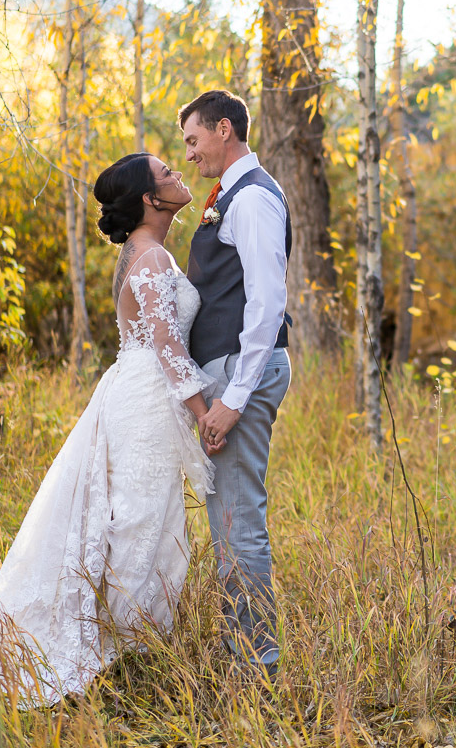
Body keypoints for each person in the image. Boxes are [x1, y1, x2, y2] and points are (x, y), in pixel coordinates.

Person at [0, 152, 213, 707]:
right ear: (150, 200)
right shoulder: (151, 258)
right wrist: (208, 415)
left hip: (135, 390)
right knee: (141, 523)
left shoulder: (143, 251)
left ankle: (122, 647)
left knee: (137, 519)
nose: (180, 175)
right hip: (147, 399)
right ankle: (116, 654)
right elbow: (168, 348)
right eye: (168, 175)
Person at [179, 90, 293, 679]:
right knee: (227, 515)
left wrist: (233, 398)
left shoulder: (251, 201)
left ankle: (257, 663)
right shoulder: (232, 195)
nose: (190, 153)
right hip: (226, 369)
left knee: (237, 519)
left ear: (225, 129)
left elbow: (267, 304)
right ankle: (245, 651)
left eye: (194, 140)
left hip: (240, 372)